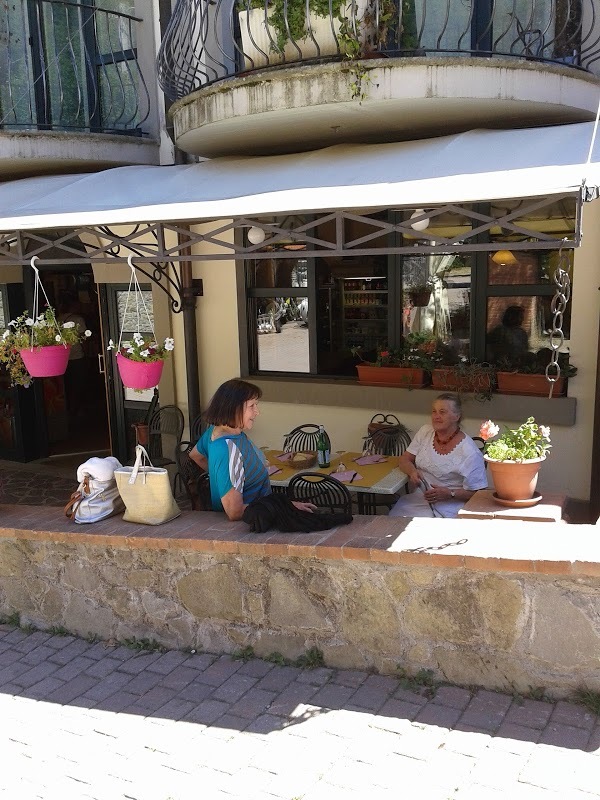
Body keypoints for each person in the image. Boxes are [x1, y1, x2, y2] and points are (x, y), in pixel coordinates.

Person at [190, 378, 315, 521]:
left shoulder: (217, 432)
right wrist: (282, 507)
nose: (257, 412)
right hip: (251, 525)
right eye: (252, 406)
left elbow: (196, 455)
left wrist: (222, 477)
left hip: (262, 511)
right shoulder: (227, 448)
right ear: (234, 407)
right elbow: (235, 511)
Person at [389, 393, 487, 518]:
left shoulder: (469, 452)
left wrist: (450, 494)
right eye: (434, 412)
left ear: (457, 416)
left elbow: (479, 493)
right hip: (420, 499)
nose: (436, 416)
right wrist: (412, 472)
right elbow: (404, 459)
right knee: (395, 523)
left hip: (451, 504)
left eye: (442, 412)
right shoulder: (425, 432)